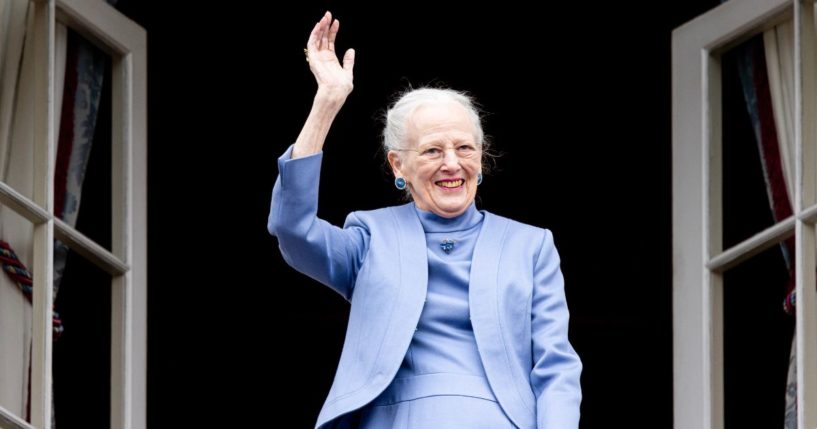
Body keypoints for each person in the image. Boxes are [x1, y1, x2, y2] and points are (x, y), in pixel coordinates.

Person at [267, 11, 582, 429]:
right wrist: (326, 104)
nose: (452, 164)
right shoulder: (369, 235)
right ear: (398, 165)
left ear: (481, 157)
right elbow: (292, 228)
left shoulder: (531, 245)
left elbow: (556, 366)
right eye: (433, 151)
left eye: (465, 148)